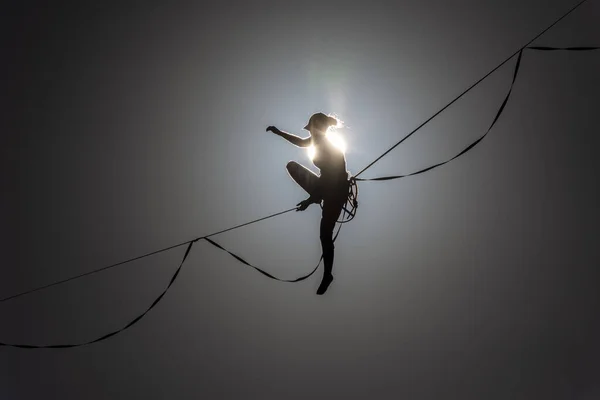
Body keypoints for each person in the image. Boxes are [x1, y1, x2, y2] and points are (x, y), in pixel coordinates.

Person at [266, 112, 349, 295]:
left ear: (316, 128)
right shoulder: (316, 142)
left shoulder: (330, 148)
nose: (310, 133)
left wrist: (311, 199)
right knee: (292, 166)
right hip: (325, 190)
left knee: (325, 234)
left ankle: (328, 274)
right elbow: (300, 142)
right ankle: (328, 274)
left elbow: (334, 177)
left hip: (334, 192)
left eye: (311, 129)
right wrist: (279, 133)